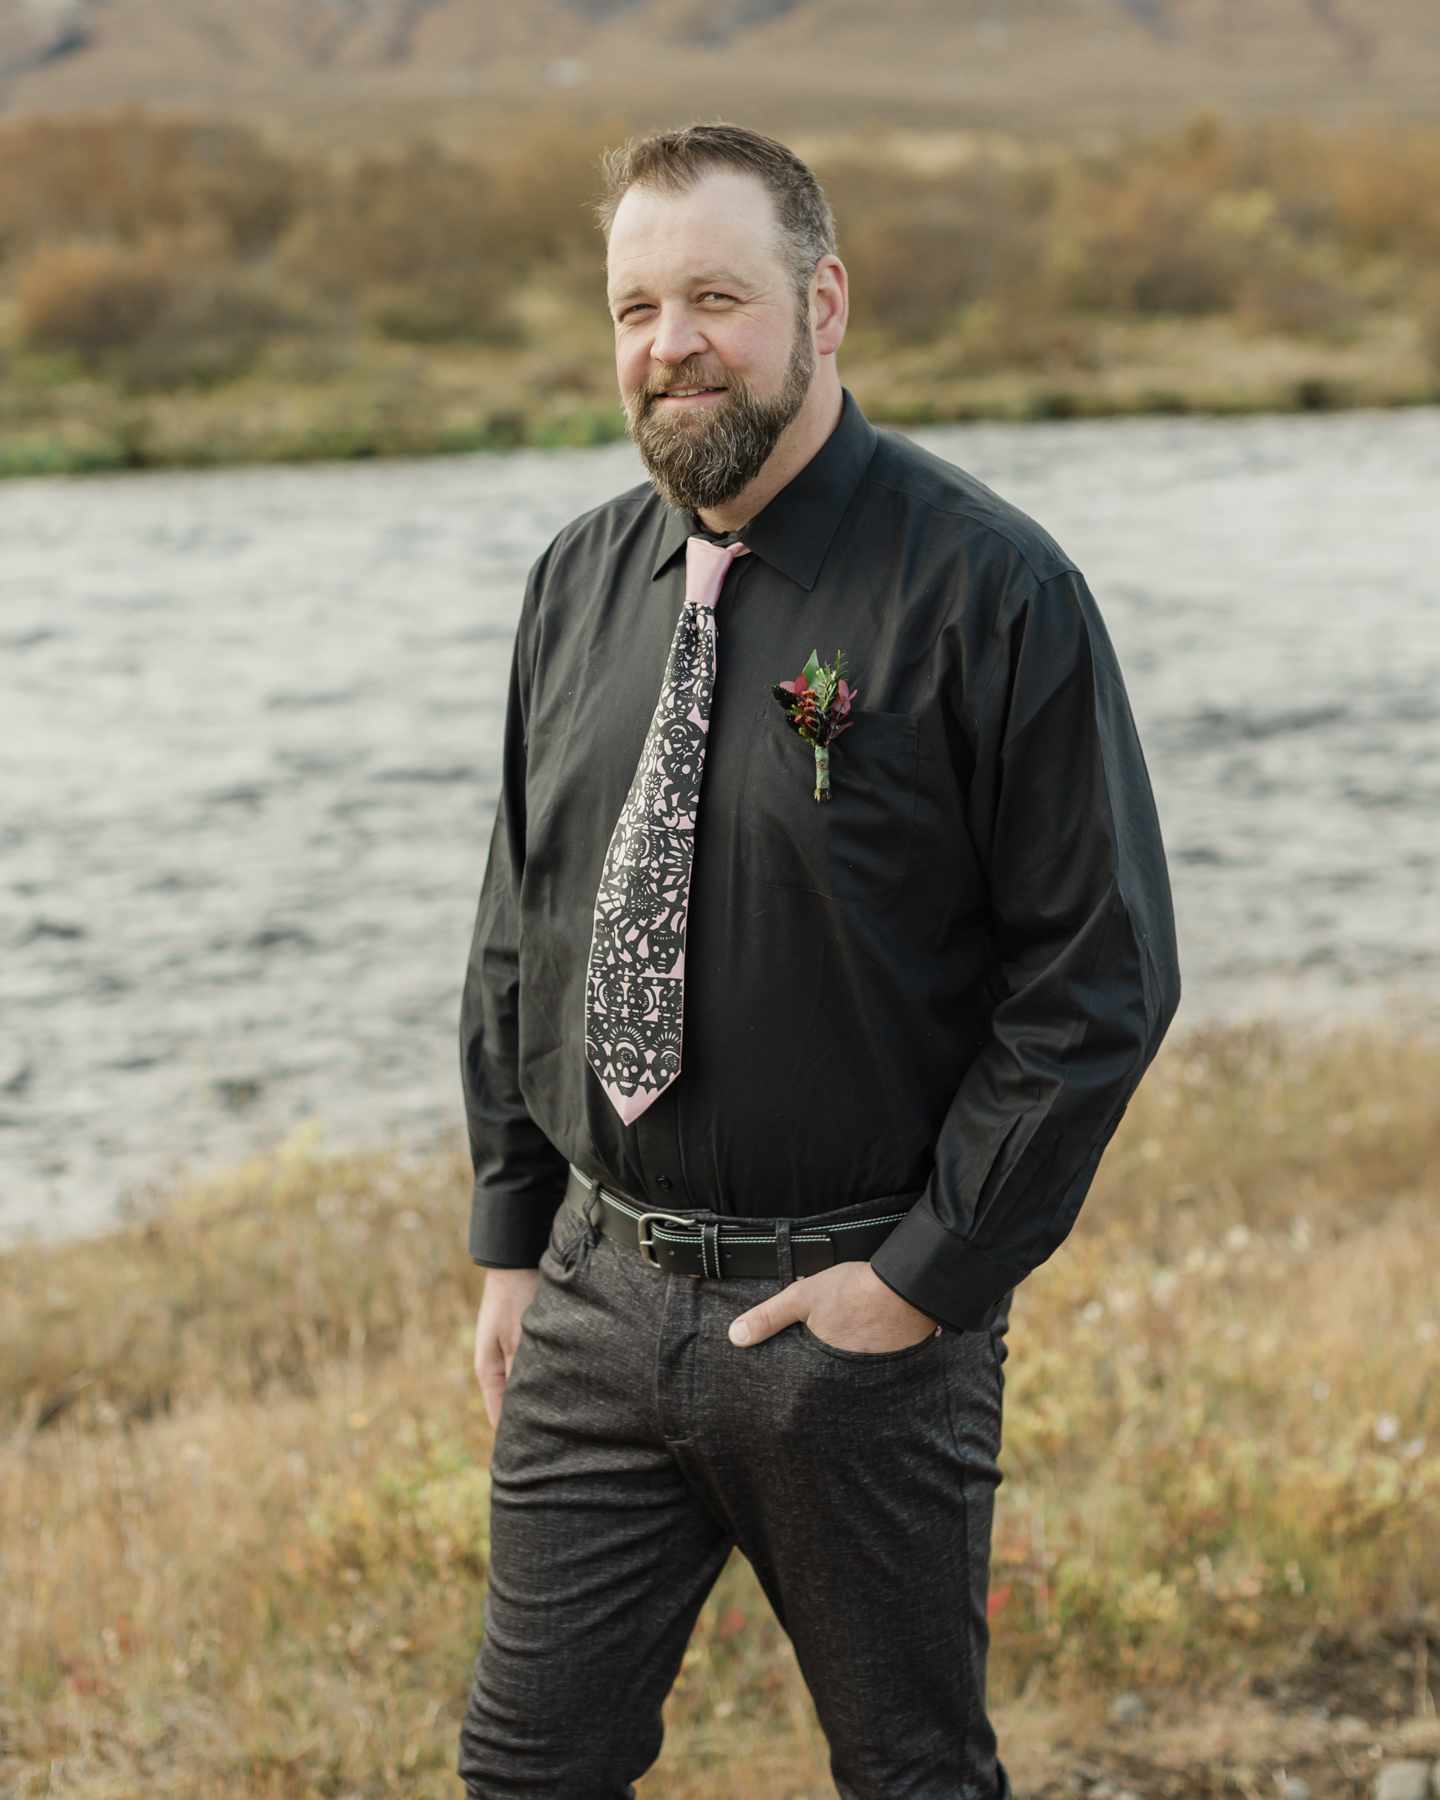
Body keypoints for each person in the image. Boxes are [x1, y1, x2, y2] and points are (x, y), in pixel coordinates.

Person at [457, 122, 1180, 1800]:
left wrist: (919, 1282)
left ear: (825, 305)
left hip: (855, 1326)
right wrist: (510, 1239)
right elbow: (523, 923)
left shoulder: (994, 589)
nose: (671, 345)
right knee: (524, 1772)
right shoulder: (577, 583)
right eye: (637, 308)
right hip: (592, 1302)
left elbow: (1098, 981)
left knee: (912, 1775)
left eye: (716, 297)